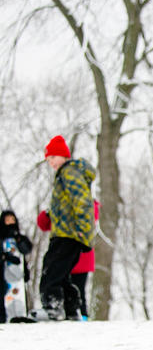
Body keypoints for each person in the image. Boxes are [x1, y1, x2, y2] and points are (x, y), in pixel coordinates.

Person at [30, 135, 96, 321]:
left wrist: (83, 230)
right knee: (61, 272)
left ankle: (53, 307)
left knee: (51, 270)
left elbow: (82, 201)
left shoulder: (69, 172)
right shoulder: (67, 174)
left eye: (52, 158)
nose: (50, 163)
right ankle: (70, 308)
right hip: (68, 233)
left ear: (62, 155)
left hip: (69, 233)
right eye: (48, 160)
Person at [38, 200, 99, 320]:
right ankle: (66, 311)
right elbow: (43, 224)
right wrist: (49, 212)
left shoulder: (85, 202)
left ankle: (81, 315)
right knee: (60, 282)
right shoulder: (60, 207)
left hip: (80, 257)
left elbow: (92, 217)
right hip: (61, 252)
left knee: (78, 287)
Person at [1, 210, 33, 322]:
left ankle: (20, 315)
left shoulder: (18, 237)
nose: (10, 222)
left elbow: (26, 250)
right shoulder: (2, 238)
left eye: (12, 220)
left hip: (17, 274)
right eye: (7, 220)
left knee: (18, 294)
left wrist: (19, 239)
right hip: (4, 273)